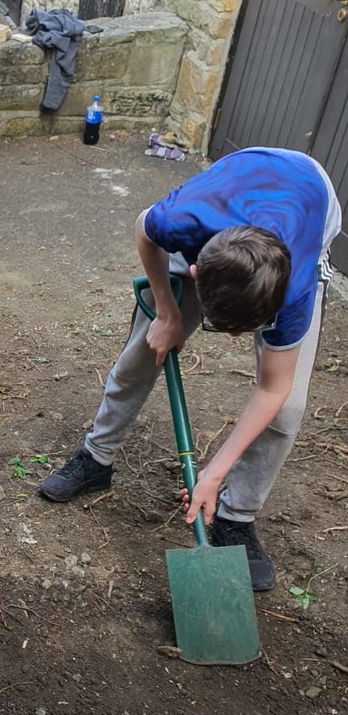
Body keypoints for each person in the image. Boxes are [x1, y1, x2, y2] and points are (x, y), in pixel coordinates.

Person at [38, 147, 341, 591]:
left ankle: (235, 517)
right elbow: (145, 231)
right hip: (231, 213)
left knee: (288, 408)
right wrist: (167, 311)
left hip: (307, 203)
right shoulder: (182, 220)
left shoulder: (294, 291)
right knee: (144, 353)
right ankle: (96, 457)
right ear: (195, 270)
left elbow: (272, 388)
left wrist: (213, 474)